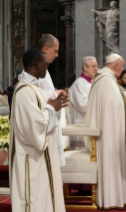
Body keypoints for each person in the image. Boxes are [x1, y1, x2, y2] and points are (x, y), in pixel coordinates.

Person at [10, 49, 68, 212]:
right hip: (32, 158)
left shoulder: (32, 88)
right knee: (35, 199)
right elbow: (34, 126)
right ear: (36, 64)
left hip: (40, 156)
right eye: (45, 64)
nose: (46, 68)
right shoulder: (25, 91)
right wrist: (51, 107)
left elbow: (40, 114)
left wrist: (53, 104)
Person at [85, 53, 126, 209]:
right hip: (109, 134)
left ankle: (114, 197)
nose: (123, 69)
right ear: (116, 65)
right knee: (112, 163)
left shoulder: (104, 79)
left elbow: (113, 106)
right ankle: (112, 199)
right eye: (122, 65)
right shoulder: (107, 81)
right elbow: (113, 108)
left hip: (108, 131)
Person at [19, 34, 67, 167]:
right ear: (46, 49)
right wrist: (54, 96)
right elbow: (34, 99)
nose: (57, 55)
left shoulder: (44, 71)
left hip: (48, 123)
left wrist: (56, 94)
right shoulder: (36, 74)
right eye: (55, 51)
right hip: (41, 126)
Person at [68, 56, 98, 148]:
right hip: (81, 123)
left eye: (97, 66)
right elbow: (83, 105)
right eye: (93, 66)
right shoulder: (79, 83)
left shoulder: (93, 82)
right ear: (85, 67)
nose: (96, 69)